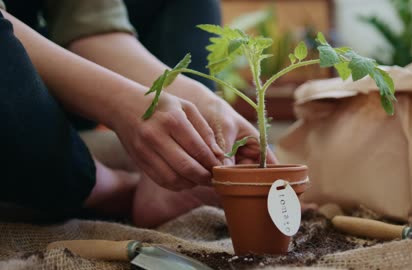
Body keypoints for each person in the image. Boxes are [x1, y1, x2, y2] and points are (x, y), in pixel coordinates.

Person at [0, 0, 277, 227]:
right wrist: (119, 104)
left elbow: (93, 28)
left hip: (53, 86)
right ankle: (110, 189)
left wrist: (195, 99)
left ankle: (170, 170)